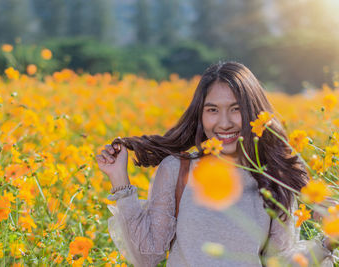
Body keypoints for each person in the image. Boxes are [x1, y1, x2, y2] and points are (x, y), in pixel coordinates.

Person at [95, 61, 335, 266]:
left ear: (253, 113)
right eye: (212, 110)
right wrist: (119, 182)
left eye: (236, 109)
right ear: (200, 115)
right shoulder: (177, 170)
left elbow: (279, 261)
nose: (225, 123)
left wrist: (327, 243)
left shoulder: (271, 177)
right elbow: (147, 256)